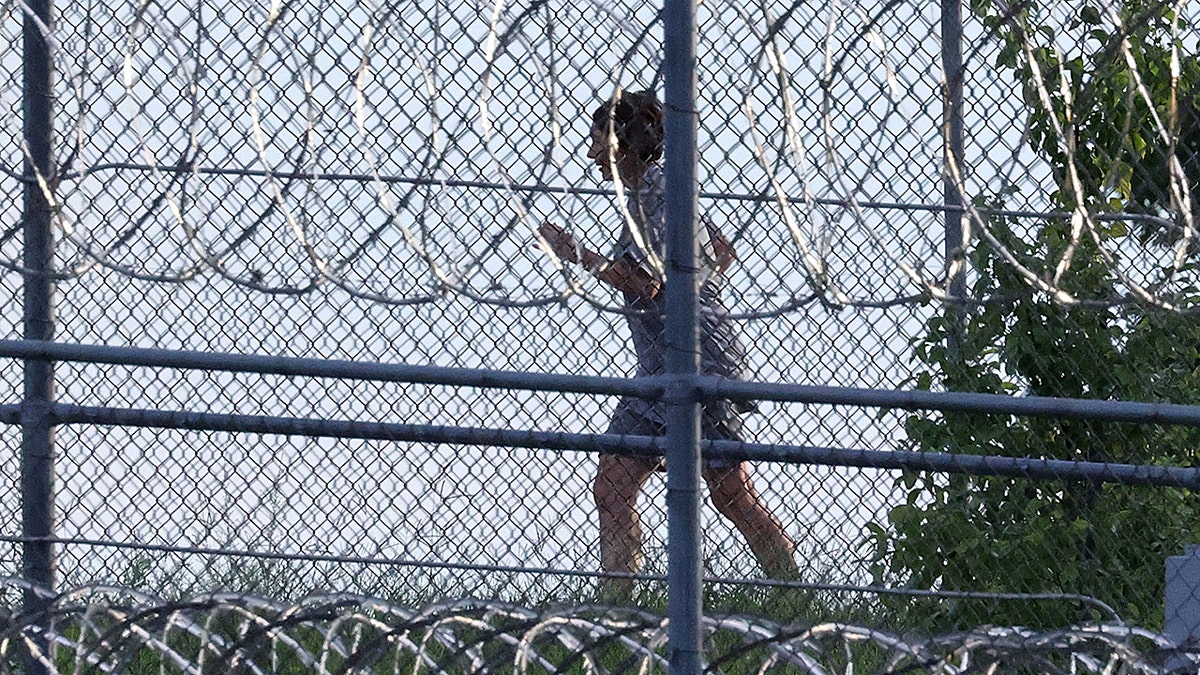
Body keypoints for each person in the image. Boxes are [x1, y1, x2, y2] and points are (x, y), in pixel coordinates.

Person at [538, 90, 799, 599]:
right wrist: (695, 284)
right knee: (613, 482)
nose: (590, 152)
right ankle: (618, 602)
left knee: (730, 493)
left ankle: (793, 591)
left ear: (623, 144)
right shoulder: (653, 195)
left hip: (698, 363)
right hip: (662, 366)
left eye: (598, 140)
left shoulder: (657, 197)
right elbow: (721, 250)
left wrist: (575, 254)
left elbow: (647, 285)